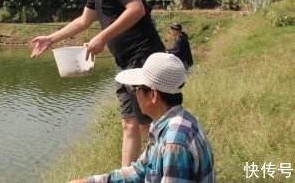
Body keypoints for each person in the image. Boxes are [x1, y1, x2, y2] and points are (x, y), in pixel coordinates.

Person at [31, 0, 166, 166]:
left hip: (142, 58)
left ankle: (164, 170)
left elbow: (136, 9)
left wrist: (101, 38)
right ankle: (128, 176)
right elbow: (84, 20)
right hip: (124, 62)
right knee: (129, 123)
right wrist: (51, 39)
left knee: (147, 123)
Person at [68, 52, 215, 183]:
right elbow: (140, 170)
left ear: (153, 95)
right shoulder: (169, 123)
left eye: (136, 88)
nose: (135, 94)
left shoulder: (174, 141)